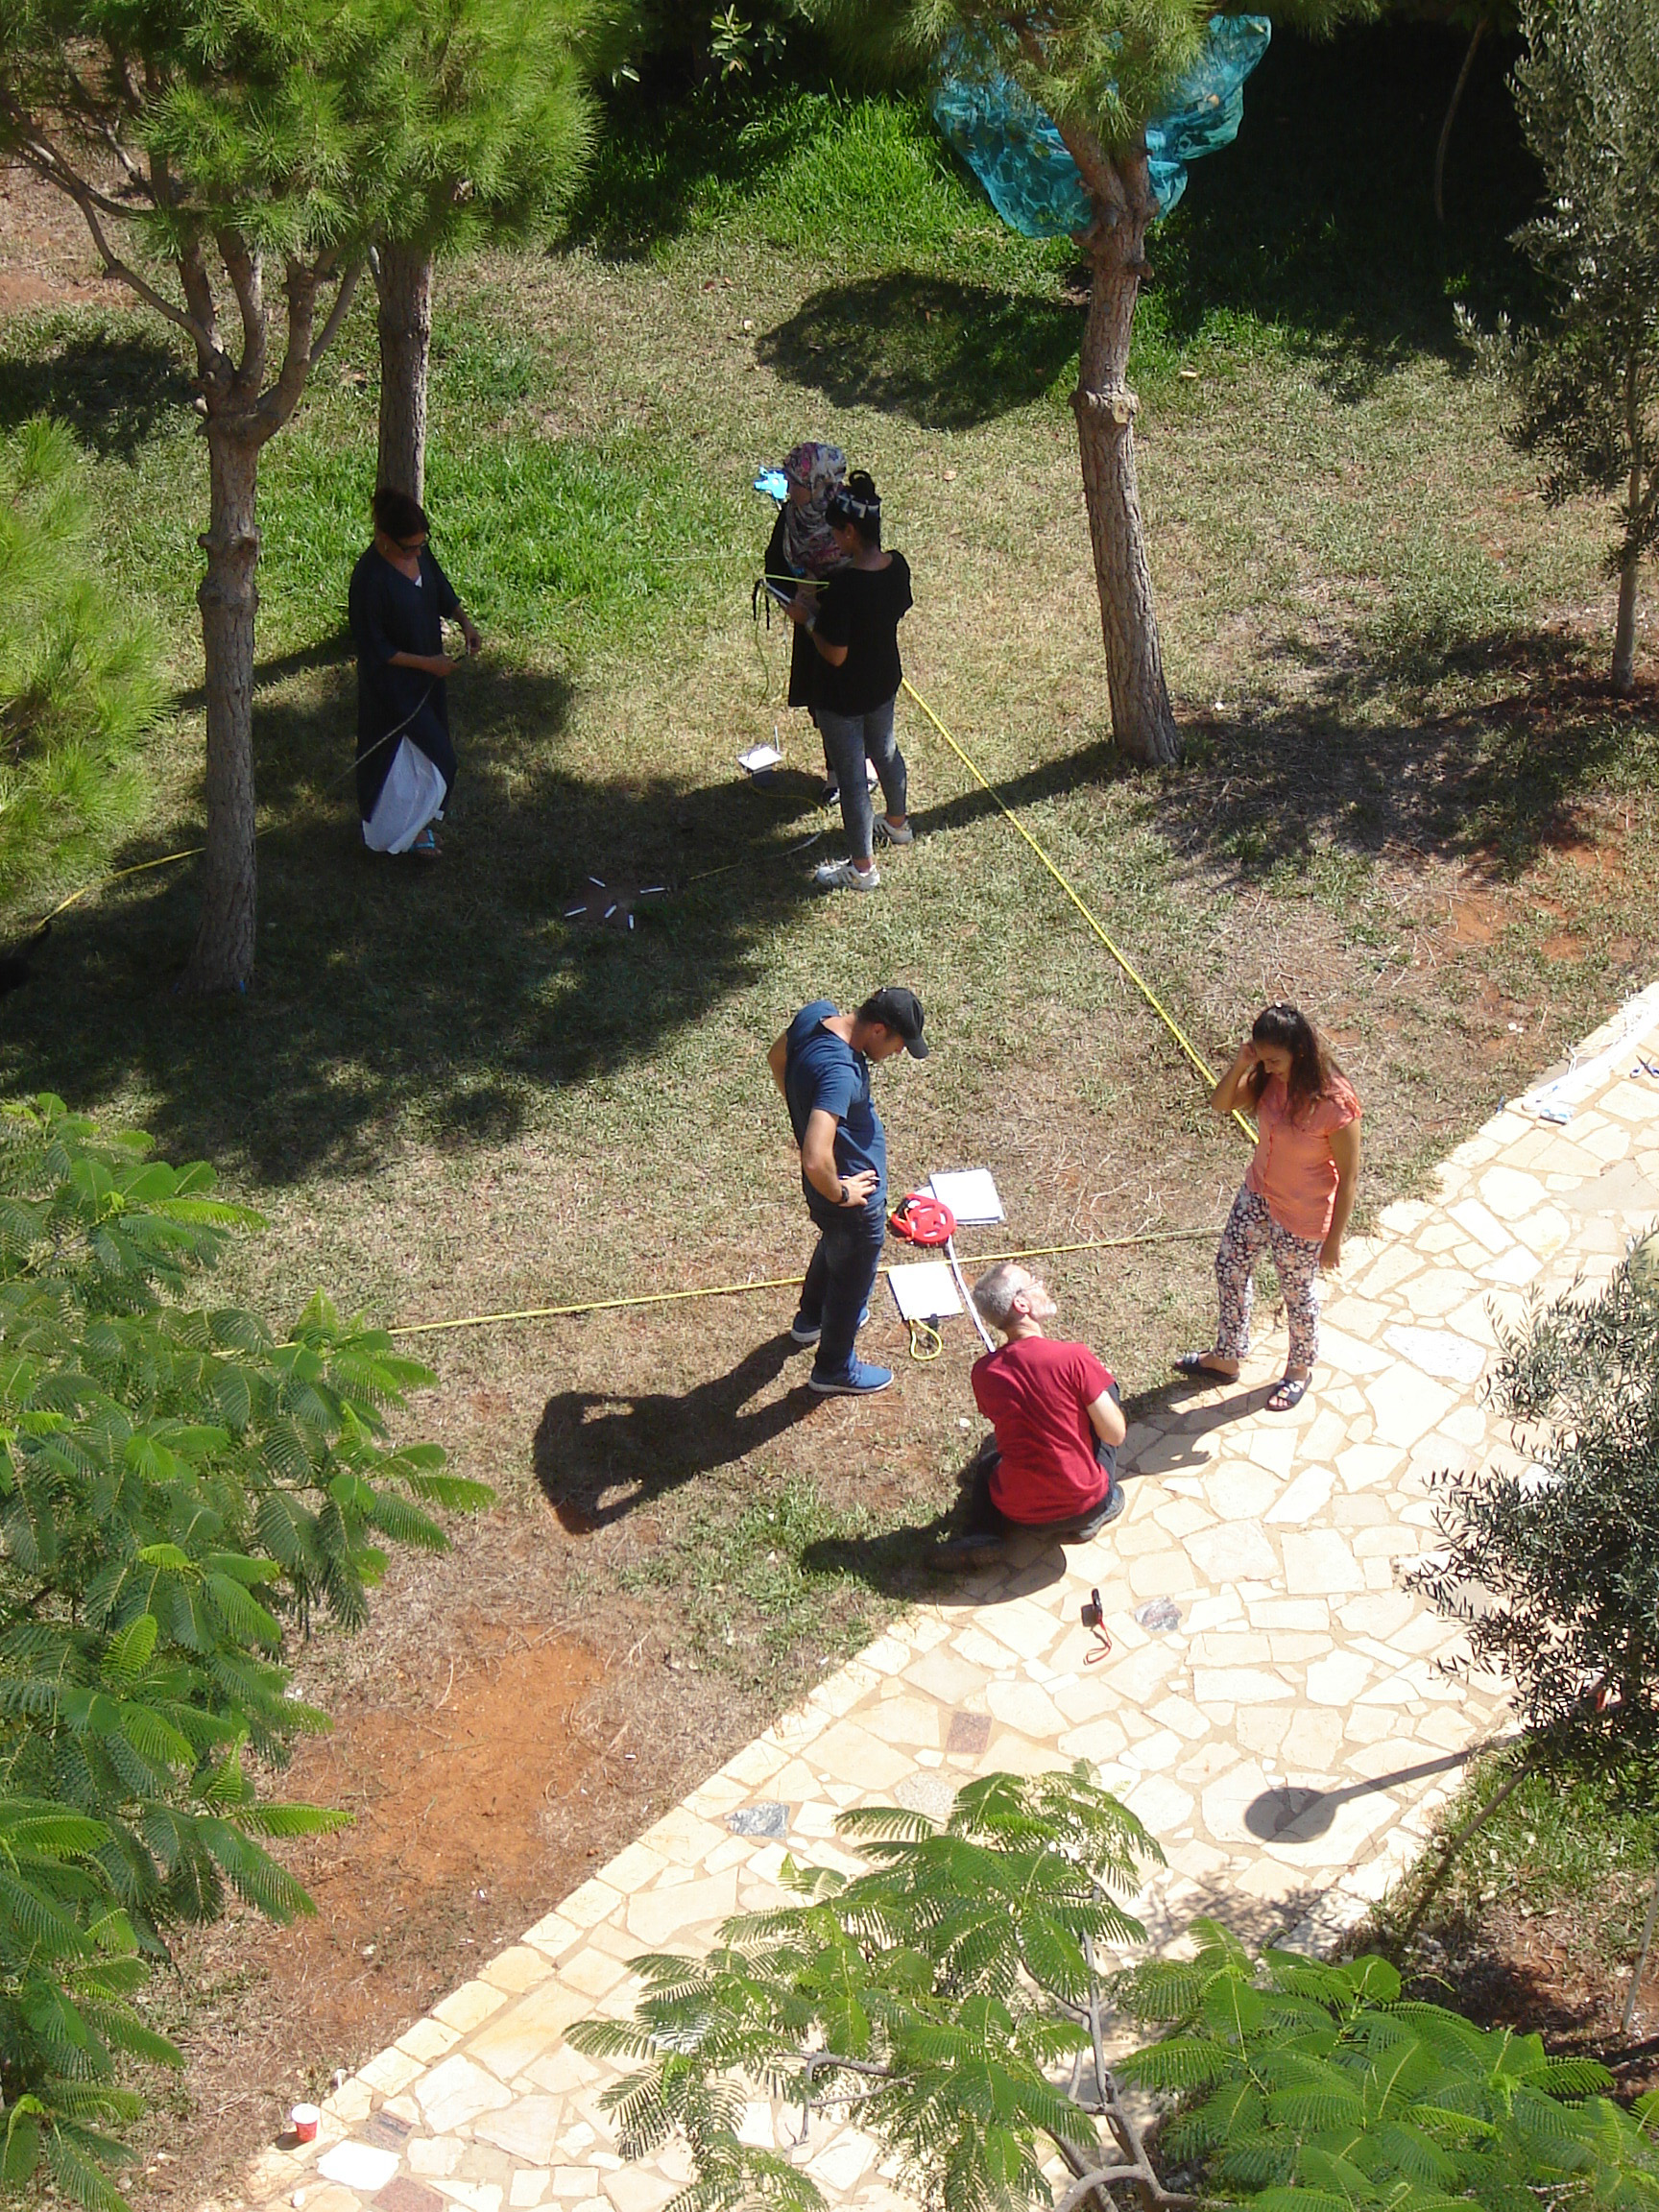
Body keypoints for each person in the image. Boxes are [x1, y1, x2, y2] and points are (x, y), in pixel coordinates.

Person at [1176, 1002, 1362, 1413]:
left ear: (1298, 1050)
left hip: (1303, 1213)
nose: (1269, 1066)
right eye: (1263, 1057)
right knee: (1229, 1266)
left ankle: (1299, 1369)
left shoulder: (1334, 1100)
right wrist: (1244, 1062)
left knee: (1297, 1292)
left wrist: (1334, 1240)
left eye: (1274, 1059)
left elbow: (1348, 1177)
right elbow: (1221, 1103)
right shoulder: (1267, 1078)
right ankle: (1227, 1355)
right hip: (1259, 1192)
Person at [766, 987, 929, 1397]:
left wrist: (802, 1112)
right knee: (851, 1284)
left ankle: (810, 1320)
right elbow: (815, 1158)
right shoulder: (841, 1072)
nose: (896, 1055)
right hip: (851, 1203)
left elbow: (776, 1057)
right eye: (897, 1045)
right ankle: (834, 1368)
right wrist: (841, 1192)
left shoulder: (815, 1015)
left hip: (829, 1197)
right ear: (878, 1030)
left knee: (833, 1246)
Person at [783, 471, 913, 894]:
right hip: (883, 682)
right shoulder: (897, 567)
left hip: (843, 696)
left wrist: (810, 619)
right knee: (886, 751)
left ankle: (862, 869)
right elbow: (891, 607)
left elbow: (834, 653)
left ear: (851, 532)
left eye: (836, 532)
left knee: (854, 778)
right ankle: (897, 823)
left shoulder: (843, 590)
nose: (832, 540)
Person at [947, 1263, 1126, 1555]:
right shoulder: (1074, 1358)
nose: (1043, 1286)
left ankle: (981, 1533)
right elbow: (1115, 1435)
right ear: (1021, 1303)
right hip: (1085, 1504)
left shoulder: (983, 1372)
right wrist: (1099, 1382)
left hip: (1018, 1513)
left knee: (987, 1465)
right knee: (1108, 1390)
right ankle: (1093, 1518)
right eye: (1035, 1284)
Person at [349, 487, 481, 857]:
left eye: (422, 544)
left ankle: (418, 827)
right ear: (384, 539)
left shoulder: (419, 554)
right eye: (410, 547)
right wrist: (430, 664)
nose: (418, 553)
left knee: (429, 753)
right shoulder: (368, 580)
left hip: (427, 677)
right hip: (392, 688)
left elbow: (439, 587)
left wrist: (464, 622)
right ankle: (393, 830)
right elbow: (377, 648)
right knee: (425, 756)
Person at [762, 442, 859, 805]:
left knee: (852, 700)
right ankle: (836, 773)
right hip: (810, 626)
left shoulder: (848, 516)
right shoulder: (791, 517)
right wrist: (792, 599)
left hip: (847, 626)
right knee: (823, 702)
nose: (789, 487)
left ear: (817, 482)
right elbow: (773, 565)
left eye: (795, 480)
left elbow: (864, 566)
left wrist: (825, 598)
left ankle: (859, 767)